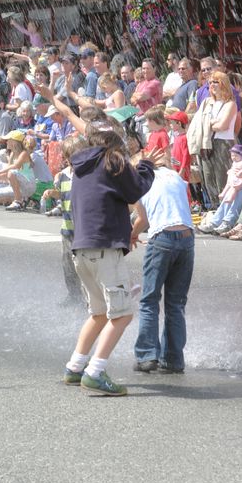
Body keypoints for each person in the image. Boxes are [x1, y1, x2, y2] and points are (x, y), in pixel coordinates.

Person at [63, 129, 158, 396]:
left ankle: (74, 367)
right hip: (105, 249)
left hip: (82, 248)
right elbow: (135, 190)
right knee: (122, 314)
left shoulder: (81, 166)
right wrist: (147, 166)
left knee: (98, 313)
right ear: (115, 148)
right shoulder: (112, 159)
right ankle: (94, 372)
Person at [131, 157, 194, 374]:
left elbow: (143, 219)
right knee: (176, 303)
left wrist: (131, 235)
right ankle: (174, 359)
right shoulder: (173, 175)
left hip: (162, 237)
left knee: (149, 299)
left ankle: (147, 356)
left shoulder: (140, 180)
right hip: (187, 236)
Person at [42, 136, 85, 304]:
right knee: (68, 265)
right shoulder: (63, 176)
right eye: (70, 155)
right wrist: (54, 193)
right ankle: (73, 296)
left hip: (83, 228)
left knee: (84, 265)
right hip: (67, 227)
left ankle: (89, 296)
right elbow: (65, 196)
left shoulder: (85, 175)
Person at [190, 72, 238, 209]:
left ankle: (225, 209)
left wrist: (207, 123)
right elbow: (197, 122)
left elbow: (223, 126)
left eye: (215, 82)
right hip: (206, 143)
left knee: (222, 178)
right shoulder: (206, 102)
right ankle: (213, 208)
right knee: (207, 177)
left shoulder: (230, 104)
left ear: (223, 83)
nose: (212, 85)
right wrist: (212, 123)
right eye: (210, 82)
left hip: (223, 143)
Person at [168, 110, 190, 181]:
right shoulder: (177, 137)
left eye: (172, 123)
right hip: (176, 167)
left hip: (182, 169)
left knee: (185, 189)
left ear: (179, 124)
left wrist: (182, 170)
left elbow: (186, 155)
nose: (170, 125)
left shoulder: (184, 138)